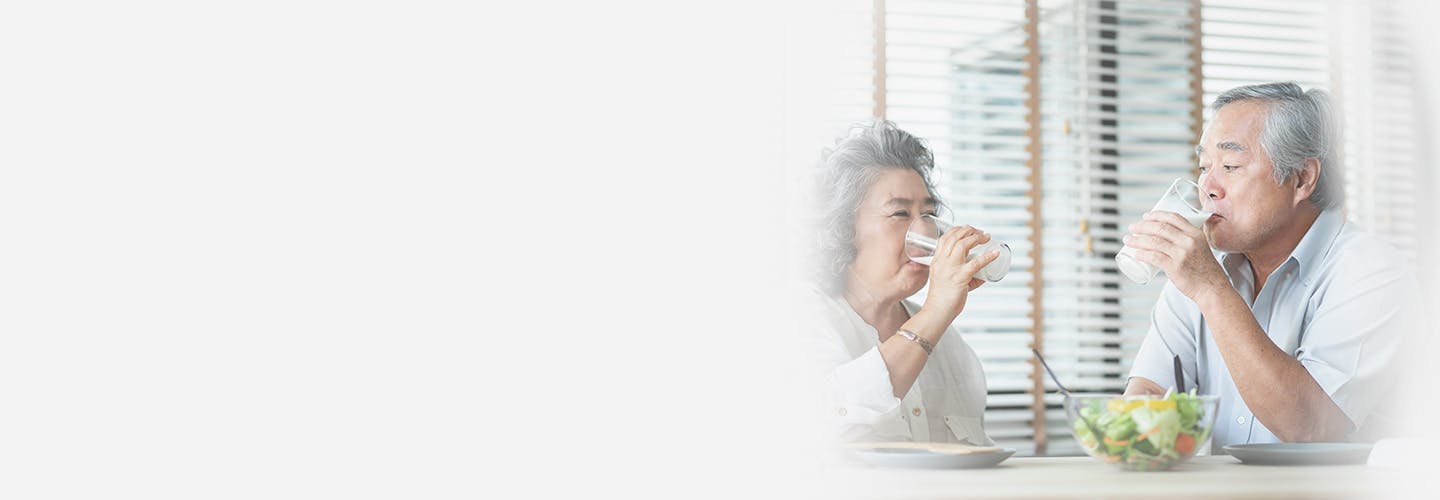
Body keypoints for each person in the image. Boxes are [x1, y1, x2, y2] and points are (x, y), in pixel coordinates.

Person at [1122, 82, 1420, 447]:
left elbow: (1309, 426)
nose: (1208, 186)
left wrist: (1212, 290)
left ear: (1302, 179)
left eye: (1231, 166)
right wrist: (1135, 429)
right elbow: (1150, 388)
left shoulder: (1370, 272)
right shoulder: (1204, 268)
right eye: (1204, 166)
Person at [806, 120, 1001, 446]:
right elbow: (821, 422)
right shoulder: (801, 317)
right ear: (842, 228)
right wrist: (937, 309)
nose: (924, 232)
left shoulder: (950, 345)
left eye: (928, 214)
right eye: (899, 214)